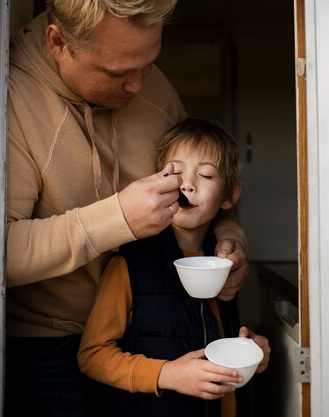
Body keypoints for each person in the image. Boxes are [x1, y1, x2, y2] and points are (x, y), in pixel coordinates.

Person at [5, 1, 250, 416]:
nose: (139, 87)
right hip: (51, 348)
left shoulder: (149, 84)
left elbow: (207, 186)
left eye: (149, 64)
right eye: (118, 73)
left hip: (155, 332)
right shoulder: (9, 100)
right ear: (59, 42)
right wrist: (117, 219)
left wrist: (230, 237)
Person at [77, 118, 270, 417]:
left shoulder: (227, 263)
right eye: (176, 171)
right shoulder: (129, 262)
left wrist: (252, 351)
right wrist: (167, 374)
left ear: (230, 195)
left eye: (206, 175)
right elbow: (92, 356)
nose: (187, 183)